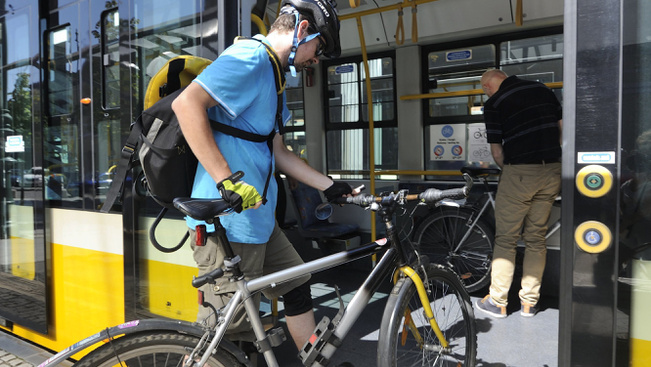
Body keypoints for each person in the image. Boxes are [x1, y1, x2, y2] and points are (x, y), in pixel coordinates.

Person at [171, 0, 353, 352]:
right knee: (225, 337)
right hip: (229, 220)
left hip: (259, 220)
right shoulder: (250, 58)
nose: (318, 57)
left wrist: (328, 186)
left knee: (297, 285)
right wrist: (227, 181)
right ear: (302, 31)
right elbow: (186, 104)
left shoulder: (274, 75)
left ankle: (311, 362)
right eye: (320, 46)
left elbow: (278, 152)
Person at [475, 69, 562, 318]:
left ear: (489, 86)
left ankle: (499, 301)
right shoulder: (543, 90)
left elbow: (497, 151)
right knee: (536, 238)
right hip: (552, 170)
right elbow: (561, 129)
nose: (486, 92)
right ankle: (529, 303)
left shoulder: (494, 103)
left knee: (507, 238)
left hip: (520, 171)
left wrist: (512, 171)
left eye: (484, 89)